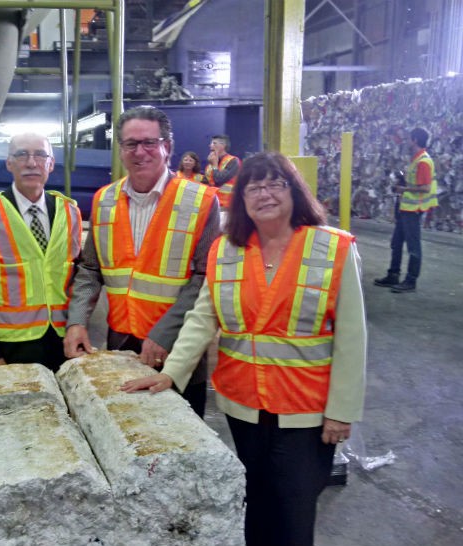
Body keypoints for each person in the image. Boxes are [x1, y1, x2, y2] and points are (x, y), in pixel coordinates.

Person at [122, 152, 367, 546]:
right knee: (255, 501)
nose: (264, 194)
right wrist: (171, 373)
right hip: (243, 403)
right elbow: (203, 318)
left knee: (294, 507)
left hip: (306, 409)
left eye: (275, 184)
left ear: (294, 192)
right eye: (253, 187)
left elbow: (352, 338)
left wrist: (342, 411)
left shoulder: (333, 248)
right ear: (241, 200)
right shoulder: (226, 250)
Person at [64, 106, 221, 417]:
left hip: (178, 348)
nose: (140, 152)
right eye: (130, 144)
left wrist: (165, 333)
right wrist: (77, 321)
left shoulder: (201, 201)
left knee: (181, 440)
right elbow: (90, 269)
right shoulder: (104, 200)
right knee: (129, 431)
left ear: (168, 147)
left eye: (150, 142)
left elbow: (205, 276)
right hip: (120, 343)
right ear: (121, 149)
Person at [0, 133, 82, 372]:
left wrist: (79, 327)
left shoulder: (70, 211)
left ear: (51, 163)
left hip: (64, 340)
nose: (31, 162)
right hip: (11, 346)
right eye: (22, 154)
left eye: (40, 154)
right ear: (9, 163)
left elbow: (79, 278)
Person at [374, 127, 438, 293]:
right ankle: (393, 275)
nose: (408, 142)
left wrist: (403, 189)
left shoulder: (423, 161)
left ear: (415, 140)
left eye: (410, 139)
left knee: (413, 248)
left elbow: (425, 187)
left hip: (413, 210)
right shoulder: (416, 159)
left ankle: (410, 281)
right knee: (396, 243)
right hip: (405, 209)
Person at [203, 134, 241, 216]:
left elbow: (219, 180)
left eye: (214, 143)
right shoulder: (210, 165)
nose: (210, 146)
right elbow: (205, 185)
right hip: (212, 207)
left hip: (227, 208)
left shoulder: (233, 161)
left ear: (223, 146)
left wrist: (214, 166)